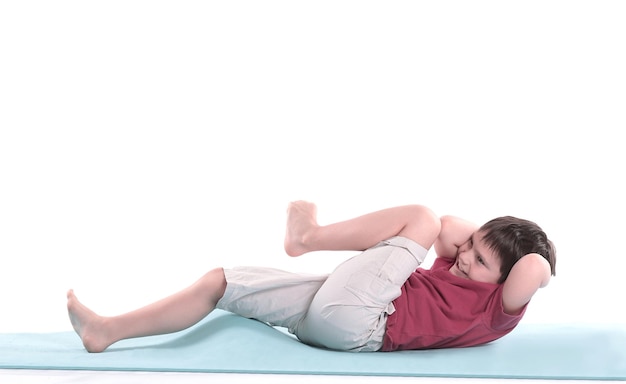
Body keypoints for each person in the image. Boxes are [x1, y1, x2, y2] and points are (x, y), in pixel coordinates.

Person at [67, 201, 556, 353]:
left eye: (480, 262)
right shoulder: (463, 266)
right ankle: (107, 331)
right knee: (221, 282)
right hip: (342, 308)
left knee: (421, 218)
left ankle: (309, 238)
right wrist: (486, 241)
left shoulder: (496, 310)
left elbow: (532, 268)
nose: (464, 257)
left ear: (508, 281)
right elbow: (454, 233)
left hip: (366, 322)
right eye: (472, 251)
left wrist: (540, 263)